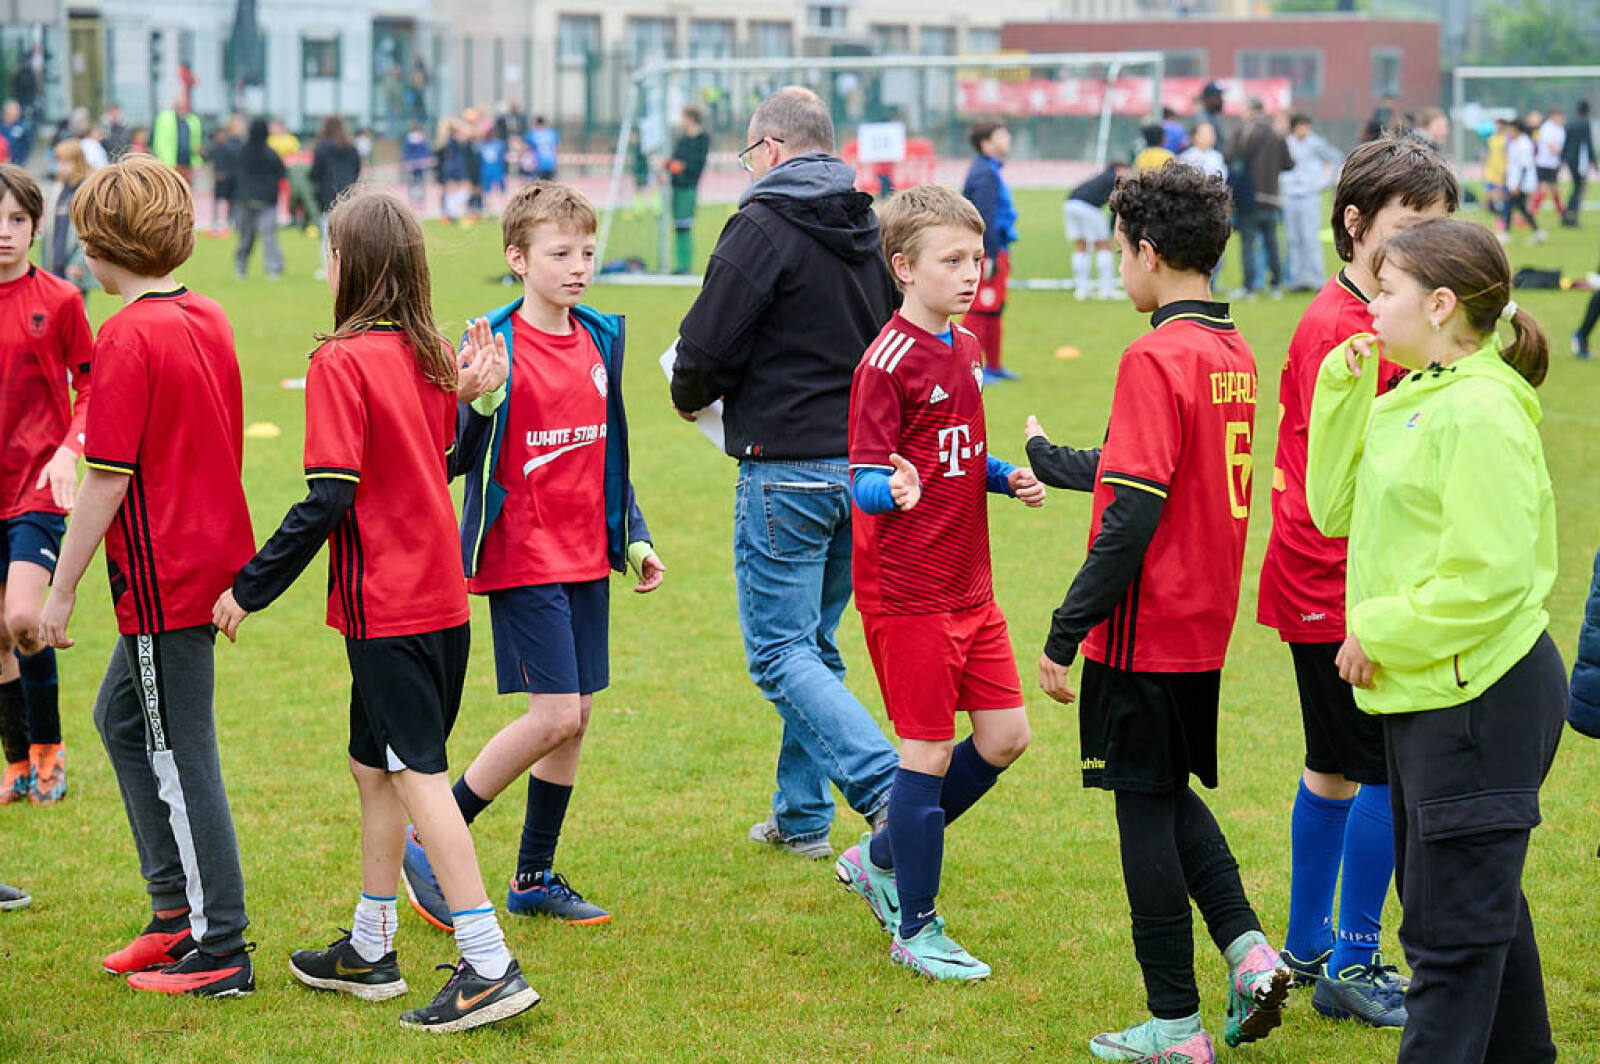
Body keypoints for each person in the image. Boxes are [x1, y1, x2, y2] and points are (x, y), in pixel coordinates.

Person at [211, 186, 538, 1033]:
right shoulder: (429, 355)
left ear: (347, 265)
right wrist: (479, 405)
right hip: (438, 606)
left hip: (391, 609)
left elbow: (329, 496)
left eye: (328, 252)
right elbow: (443, 463)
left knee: (417, 775)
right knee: (374, 766)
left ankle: (488, 964)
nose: (324, 265)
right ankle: (371, 945)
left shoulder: (342, 362)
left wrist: (249, 587)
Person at [1031, 164, 1292, 1061]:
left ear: (1147, 252)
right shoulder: (1231, 349)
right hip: (1202, 621)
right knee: (1164, 791)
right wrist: (1052, 460)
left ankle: (1176, 1028)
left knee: (1140, 813)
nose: (1118, 270)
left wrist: (1065, 630)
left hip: (1142, 630)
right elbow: (1150, 470)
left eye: (1118, 253)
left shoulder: (1154, 355)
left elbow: (1134, 514)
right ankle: (1251, 953)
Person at [1306, 217, 1561, 1064]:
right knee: (1479, 919)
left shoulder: (1481, 410)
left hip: (1480, 699)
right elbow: (1332, 510)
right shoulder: (1415, 395)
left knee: (1449, 943)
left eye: (1387, 291)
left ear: (1442, 304)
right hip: (1431, 691)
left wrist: (1376, 630)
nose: (1372, 307)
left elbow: (1490, 576)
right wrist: (1342, 393)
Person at [399, 182, 663, 932]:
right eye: (560, 254)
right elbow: (445, 455)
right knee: (554, 715)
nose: (578, 267)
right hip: (523, 554)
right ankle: (431, 834)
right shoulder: (491, 344)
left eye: (587, 253)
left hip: (585, 554)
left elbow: (606, 453)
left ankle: (534, 877)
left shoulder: (600, 338)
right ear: (517, 259)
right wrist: (476, 404)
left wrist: (633, 534)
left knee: (577, 716)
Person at [38, 154, 256, 996]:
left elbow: (108, 475)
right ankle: (173, 914)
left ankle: (220, 946)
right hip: (204, 560)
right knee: (122, 721)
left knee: (178, 751)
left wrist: (61, 590)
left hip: (168, 577)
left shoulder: (125, 334)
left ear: (101, 248)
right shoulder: (209, 313)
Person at [1258, 133, 1459, 1031]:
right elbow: (1347, 487)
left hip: (1320, 581)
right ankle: (1351, 959)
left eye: (1438, 227)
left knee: (1336, 766)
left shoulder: (1354, 313)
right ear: (1354, 223)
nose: (1425, 245)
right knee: (1380, 774)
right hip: (1340, 586)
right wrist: (1368, 611)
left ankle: (1309, 945)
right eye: (1408, 226)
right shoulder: (1358, 327)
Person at [671, 86, 900, 860]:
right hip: (860, 467)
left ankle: (886, 788)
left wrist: (688, 393)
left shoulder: (761, 223)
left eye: (749, 155)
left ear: (769, 148)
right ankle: (802, 816)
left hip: (788, 469)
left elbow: (705, 344)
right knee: (815, 646)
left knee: (780, 653)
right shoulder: (867, 223)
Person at [833, 183, 1043, 980]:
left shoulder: (967, 348)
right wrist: (893, 490)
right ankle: (915, 927)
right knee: (924, 750)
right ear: (903, 267)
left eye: (975, 259)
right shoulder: (883, 364)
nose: (970, 274)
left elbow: (956, 450)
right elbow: (861, 478)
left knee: (1006, 736)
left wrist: (1004, 475)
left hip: (970, 583)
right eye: (952, 261)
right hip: (909, 590)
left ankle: (882, 855)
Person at [0, 164, 93, 807]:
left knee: (23, 618)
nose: (4, 232)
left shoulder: (59, 300)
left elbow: (92, 386)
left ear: (36, 227)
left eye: (16, 219)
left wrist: (68, 451)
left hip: (36, 486)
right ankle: (16, 763)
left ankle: (49, 753)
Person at [961, 120, 1020, 382]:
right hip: (986, 250)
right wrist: (991, 256)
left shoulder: (991, 169)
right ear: (986, 144)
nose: (1007, 138)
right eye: (1001, 135)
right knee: (980, 307)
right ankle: (968, 368)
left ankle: (994, 366)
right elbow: (984, 217)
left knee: (995, 307)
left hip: (997, 248)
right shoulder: (984, 173)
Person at [1227, 98, 1294, 299]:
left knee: (1248, 242)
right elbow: (1289, 163)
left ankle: (1249, 287)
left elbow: (1229, 156)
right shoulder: (1276, 134)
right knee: (1271, 242)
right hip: (1272, 197)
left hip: (1250, 197)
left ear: (1250, 110)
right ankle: (1276, 285)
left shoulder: (1243, 132)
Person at [1280, 114, 1343, 292]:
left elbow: (1336, 158)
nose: (1304, 130)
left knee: (1310, 238)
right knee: (1293, 239)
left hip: (1309, 195)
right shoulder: (1287, 143)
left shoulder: (1316, 143)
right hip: (1290, 194)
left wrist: (1326, 182)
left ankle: (1316, 279)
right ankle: (1297, 279)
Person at [1063, 161, 1128, 301]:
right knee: (1104, 246)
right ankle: (1106, 290)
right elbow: (1118, 207)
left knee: (1081, 246)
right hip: (1089, 207)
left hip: (1070, 204)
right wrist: (1112, 229)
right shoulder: (1114, 179)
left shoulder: (1101, 177)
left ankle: (1081, 290)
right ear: (1118, 169)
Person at [40, 141, 96, 300]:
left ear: (77, 162)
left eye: (66, 162)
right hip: (54, 266)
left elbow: (91, 233)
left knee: (75, 309)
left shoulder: (87, 191)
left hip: (74, 268)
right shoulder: (57, 189)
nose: (61, 166)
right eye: (58, 161)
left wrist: (79, 263)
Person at [310, 116, 362, 280]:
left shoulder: (321, 147)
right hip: (349, 194)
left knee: (328, 235)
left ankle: (330, 268)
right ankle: (350, 267)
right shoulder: (351, 147)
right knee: (348, 234)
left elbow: (315, 172)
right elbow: (357, 169)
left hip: (328, 194)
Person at [233, 118, 285, 281]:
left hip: (245, 198)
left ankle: (241, 267)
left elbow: (234, 174)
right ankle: (273, 269)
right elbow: (282, 173)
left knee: (246, 236)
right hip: (268, 199)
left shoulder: (241, 152)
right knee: (269, 235)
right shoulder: (271, 153)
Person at [666, 106, 710, 274]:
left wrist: (682, 167)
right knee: (678, 226)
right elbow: (674, 160)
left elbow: (697, 164)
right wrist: (668, 165)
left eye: (683, 117)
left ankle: (685, 265)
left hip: (688, 187)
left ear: (691, 119)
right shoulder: (682, 140)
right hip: (676, 187)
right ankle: (680, 265)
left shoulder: (702, 139)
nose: (681, 121)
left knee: (685, 225)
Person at [1501, 118, 1541, 245]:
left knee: (1509, 206)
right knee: (1521, 208)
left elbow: (1525, 166)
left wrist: (1518, 185)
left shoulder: (1523, 144)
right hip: (1516, 181)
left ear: (1516, 130)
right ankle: (1538, 232)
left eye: (1511, 129)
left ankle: (1505, 233)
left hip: (1520, 183)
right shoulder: (1517, 142)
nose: (1509, 132)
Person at [150, 99, 202, 182]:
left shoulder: (192, 122)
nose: (182, 110)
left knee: (186, 186)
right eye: (179, 107)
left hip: (187, 165)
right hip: (171, 164)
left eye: (184, 107)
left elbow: (195, 143)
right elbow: (159, 144)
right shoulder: (166, 120)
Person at [208, 116, 244, 233]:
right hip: (226, 177)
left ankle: (231, 223)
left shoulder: (240, 143)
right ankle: (220, 224)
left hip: (235, 177)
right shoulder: (223, 146)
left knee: (234, 201)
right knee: (222, 201)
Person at [1561, 100, 1593, 226]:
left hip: (1570, 159)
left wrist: (1562, 158)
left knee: (1576, 186)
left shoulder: (1571, 123)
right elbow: (1588, 143)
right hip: (1580, 160)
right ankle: (1572, 215)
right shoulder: (1585, 123)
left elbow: (1566, 142)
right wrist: (1593, 161)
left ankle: (1568, 214)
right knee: (1579, 188)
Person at [1531, 108, 1565, 220]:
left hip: (1554, 164)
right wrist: (1562, 151)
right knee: (1544, 188)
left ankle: (1561, 213)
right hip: (1544, 163)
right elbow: (1551, 144)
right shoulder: (1547, 128)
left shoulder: (1560, 128)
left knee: (1555, 189)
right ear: (1553, 116)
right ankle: (1532, 213)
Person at [1482, 118, 1509, 218]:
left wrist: (1505, 169)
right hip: (1491, 171)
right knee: (1488, 194)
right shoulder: (1491, 139)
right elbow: (1487, 154)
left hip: (1502, 170)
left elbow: (1508, 155)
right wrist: (1484, 168)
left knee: (1502, 194)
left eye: (1500, 125)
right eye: (1496, 125)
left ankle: (1503, 213)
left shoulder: (1507, 139)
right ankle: (1493, 212)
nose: (1498, 127)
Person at [526, 115, 558, 180]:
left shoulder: (532, 133)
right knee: (550, 184)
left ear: (535, 123)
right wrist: (556, 165)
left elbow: (527, 148)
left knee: (537, 184)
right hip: (550, 164)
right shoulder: (552, 133)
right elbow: (555, 149)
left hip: (537, 165)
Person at [3, 100, 32, 167]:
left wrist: (20, 161)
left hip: (16, 163)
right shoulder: (2, 126)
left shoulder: (24, 126)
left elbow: (27, 146)